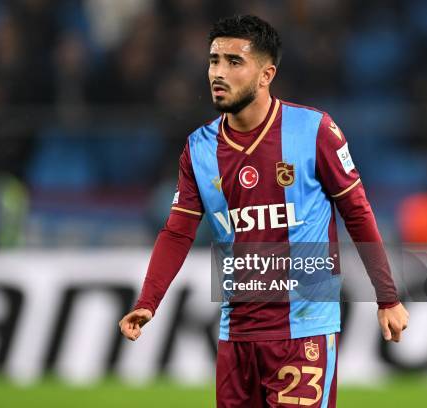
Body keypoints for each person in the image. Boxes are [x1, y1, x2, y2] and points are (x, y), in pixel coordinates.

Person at [119, 15, 409, 407]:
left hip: (303, 332)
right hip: (236, 335)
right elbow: (177, 232)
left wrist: (387, 297)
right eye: (213, 60)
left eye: (234, 62)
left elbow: (356, 210)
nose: (218, 73)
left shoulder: (314, 130)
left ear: (265, 74)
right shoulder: (199, 149)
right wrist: (147, 301)